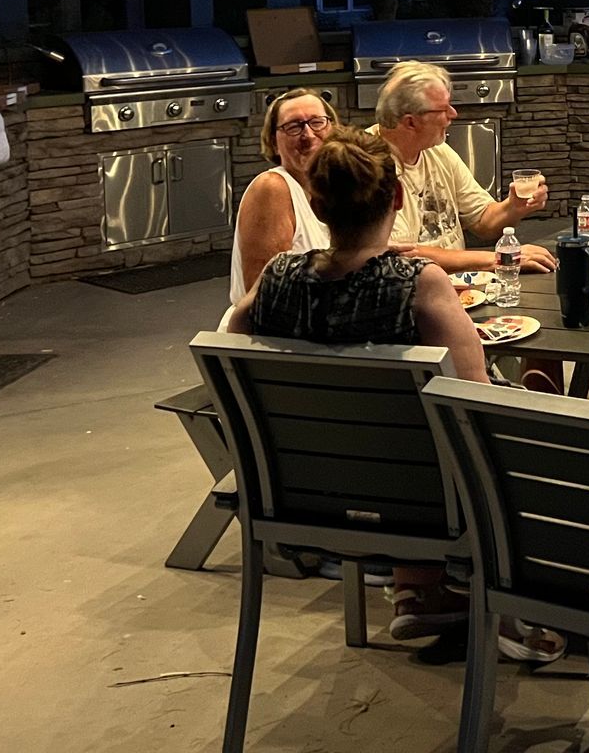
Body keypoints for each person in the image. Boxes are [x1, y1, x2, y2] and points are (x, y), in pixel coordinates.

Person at [227, 126, 566, 661]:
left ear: (315, 204)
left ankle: (419, 588)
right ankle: (514, 602)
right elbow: (476, 398)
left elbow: (231, 345)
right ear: (399, 197)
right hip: (427, 494)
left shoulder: (276, 276)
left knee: (393, 427)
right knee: (496, 425)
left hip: (310, 488)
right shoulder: (416, 281)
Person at [374, 61, 556, 276]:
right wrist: (500, 258)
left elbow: (482, 221)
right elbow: (399, 255)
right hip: (411, 294)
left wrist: (514, 206)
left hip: (460, 287)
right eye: (443, 109)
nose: (453, 114)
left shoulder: (437, 151)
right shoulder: (369, 166)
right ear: (410, 123)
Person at [229, 89, 335, 308]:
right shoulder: (272, 188)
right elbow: (267, 295)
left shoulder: (332, 188)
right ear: (274, 142)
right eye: (294, 127)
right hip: (268, 335)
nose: (308, 135)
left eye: (317, 122)